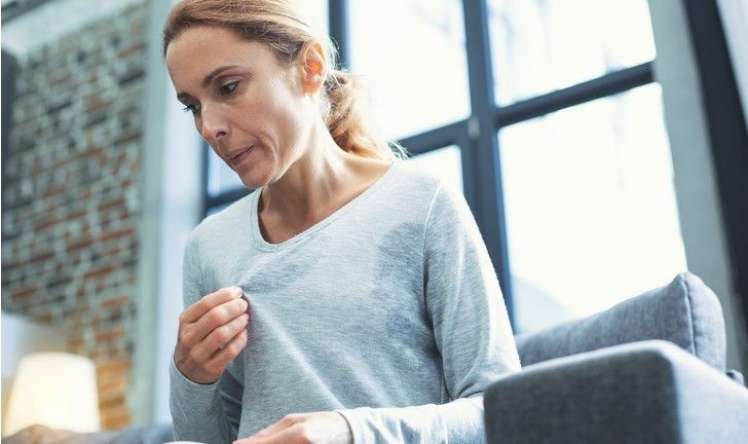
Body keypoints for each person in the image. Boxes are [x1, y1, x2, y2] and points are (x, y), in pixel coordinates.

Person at [164, 1, 520, 443]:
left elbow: (499, 412)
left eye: (229, 87)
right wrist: (190, 376)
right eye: (192, 107)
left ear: (310, 67)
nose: (209, 127)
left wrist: (350, 432)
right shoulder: (209, 247)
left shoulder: (422, 204)